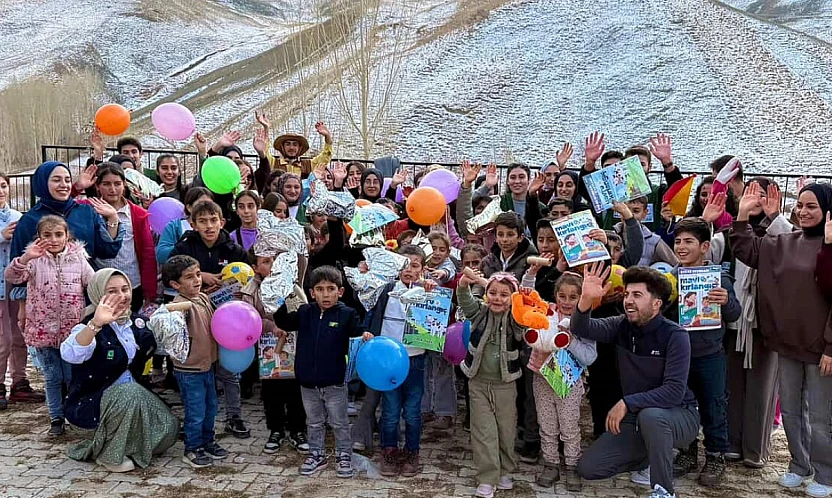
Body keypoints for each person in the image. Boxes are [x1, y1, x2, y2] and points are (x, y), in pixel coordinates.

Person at [730, 182, 832, 498]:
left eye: (811, 206)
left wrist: (831, 346)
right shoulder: (785, 241)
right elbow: (747, 250)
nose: (803, 211)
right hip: (786, 343)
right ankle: (799, 465)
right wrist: (743, 216)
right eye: (800, 205)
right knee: (789, 409)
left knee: (819, 416)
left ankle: (826, 473)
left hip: (821, 348)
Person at [574, 264, 699, 498]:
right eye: (627, 294)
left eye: (637, 295)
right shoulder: (620, 325)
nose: (628, 300)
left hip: (679, 414)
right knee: (589, 468)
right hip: (636, 417)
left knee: (651, 416)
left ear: (656, 303)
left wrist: (626, 403)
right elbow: (582, 327)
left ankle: (663, 490)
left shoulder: (676, 336)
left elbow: (673, 392)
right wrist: (585, 300)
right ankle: (650, 454)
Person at [60, 269, 178, 472]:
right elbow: (70, 354)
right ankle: (110, 456)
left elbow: (162, 346)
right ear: (98, 294)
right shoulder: (87, 327)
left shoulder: (138, 322)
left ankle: (125, 444)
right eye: (112, 291)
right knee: (129, 391)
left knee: (169, 428)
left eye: (125, 289)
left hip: (133, 401)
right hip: (93, 406)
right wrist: (96, 324)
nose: (121, 296)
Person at [713, 177, 790, 468]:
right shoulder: (730, 232)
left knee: (762, 387)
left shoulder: (783, 232)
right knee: (731, 384)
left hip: (765, 322)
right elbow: (709, 252)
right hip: (734, 319)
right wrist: (739, 216)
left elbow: (788, 249)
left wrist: (774, 215)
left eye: (762, 195)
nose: (756, 200)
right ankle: (731, 442)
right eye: (750, 194)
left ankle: (755, 449)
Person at [274, 266, 373, 478]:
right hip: (307, 381)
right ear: (312, 293)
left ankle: (344, 455)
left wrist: (365, 335)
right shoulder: (305, 312)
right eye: (320, 289)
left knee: (339, 422)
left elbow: (358, 333)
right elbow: (283, 322)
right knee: (314, 421)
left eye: (330, 289)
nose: (325, 294)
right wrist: (277, 297)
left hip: (335, 381)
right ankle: (316, 454)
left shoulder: (347, 314)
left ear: (341, 291)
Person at [665, 218, 741, 487]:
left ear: (705, 246)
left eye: (689, 241)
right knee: (681, 405)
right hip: (678, 356)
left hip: (710, 355)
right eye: (678, 241)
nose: (682, 247)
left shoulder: (719, 278)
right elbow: (661, 314)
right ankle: (687, 451)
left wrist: (726, 301)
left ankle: (716, 455)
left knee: (714, 405)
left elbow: (735, 314)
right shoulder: (671, 278)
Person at [5, 215, 95, 436]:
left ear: (67, 236)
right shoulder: (35, 260)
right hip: (43, 330)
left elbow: (94, 283)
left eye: (58, 235)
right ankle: (56, 417)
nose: (53, 240)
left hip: (72, 330)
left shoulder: (79, 259)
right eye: (47, 235)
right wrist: (26, 257)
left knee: (71, 376)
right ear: (39, 237)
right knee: (52, 377)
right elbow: (11, 277)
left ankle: (74, 412)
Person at [168, 200, 250, 438]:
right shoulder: (184, 248)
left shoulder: (234, 249)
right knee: (196, 375)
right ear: (192, 224)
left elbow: (249, 279)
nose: (209, 226)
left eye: (213, 220)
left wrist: (237, 288)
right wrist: (200, 276)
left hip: (228, 321)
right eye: (202, 221)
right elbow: (169, 275)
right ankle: (195, 421)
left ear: (222, 222)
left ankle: (234, 416)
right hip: (196, 320)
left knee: (229, 371)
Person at [521, 272, 596, 492]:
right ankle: (551, 463)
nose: (566, 301)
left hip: (570, 384)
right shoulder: (547, 312)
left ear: (581, 299)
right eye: (562, 296)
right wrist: (530, 275)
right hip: (542, 378)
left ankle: (572, 466)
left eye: (573, 297)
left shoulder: (585, 322)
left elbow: (590, 356)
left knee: (569, 427)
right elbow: (527, 299)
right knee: (547, 425)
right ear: (555, 296)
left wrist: (570, 341)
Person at [365, 245, 435, 477]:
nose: (408, 270)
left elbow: (439, 319)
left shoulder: (428, 292)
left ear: (422, 269)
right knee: (391, 411)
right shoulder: (386, 290)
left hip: (415, 360)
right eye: (403, 264)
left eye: (414, 265)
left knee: (413, 411)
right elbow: (372, 315)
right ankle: (389, 451)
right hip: (389, 363)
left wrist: (430, 294)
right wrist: (369, 333)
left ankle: (412, 452)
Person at [457, 270, 525, 498]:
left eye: (504, 295)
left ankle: (505, 470)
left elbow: (524, 324)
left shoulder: (516, 316)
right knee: (483, 430)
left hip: (506, 384)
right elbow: (466, 302)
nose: (497, 298)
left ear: (513, 298)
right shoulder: (481, 312)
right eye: (493, 293)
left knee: (506, 430)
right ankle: (487, 477)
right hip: (477, 381)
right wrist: (463, 286)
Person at [241, 248, 309, 455]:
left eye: (276, 261)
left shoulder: (291, 284)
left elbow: (301, 307)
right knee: (272, 393)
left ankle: (298, 430)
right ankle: (276, 430)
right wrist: (271, 326)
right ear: (255, 267)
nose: (272, 266)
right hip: (268, 349)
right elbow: (247, 317)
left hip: (294, 347)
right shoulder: (251, 290)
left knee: (296, 391)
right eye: (266, 262)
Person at [162, 255, 228, 468]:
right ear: (175, 284)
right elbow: (165, 317)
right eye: (189, 277)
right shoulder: (179, 305)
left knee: (211, 406)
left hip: (207, 364)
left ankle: (208, 441)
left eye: (198, 275)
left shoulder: (202, 298)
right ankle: (192, 448)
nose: (197, 280)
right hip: (189, 369)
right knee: (195, 410)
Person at [10, 161, 123, 264]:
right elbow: (18, 264)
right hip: (42, 284)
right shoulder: (29, 220)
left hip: (85, 282)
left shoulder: (86, 212)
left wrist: (113, 219)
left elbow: (107, 252)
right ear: (43, 183)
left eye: (67, 180)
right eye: (56, 180)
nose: (64, 185)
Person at [580, 132, 683, 232]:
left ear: (649, 167)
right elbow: (586, 191)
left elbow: (679, 189)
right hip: (617, 244)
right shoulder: (613, 190)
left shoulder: (658, 192)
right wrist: (590, 163)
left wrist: (667, 162)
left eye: (641, 164)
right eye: (631, 164)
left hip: (649, 245)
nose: (636, 168)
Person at [89, 163, 157, 312]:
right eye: (106, 184)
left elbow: (147, 252)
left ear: (124, 184)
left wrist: (150, 291)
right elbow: (62, 207)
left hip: (131, 284)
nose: (112, 189)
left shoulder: (137, 214)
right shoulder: (89, 209)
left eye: (117, 184)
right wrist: (77, 188)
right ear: (97, 186)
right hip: (100, 285)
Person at [0, 172, 42, 408]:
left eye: (4, 186)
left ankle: (20, 383)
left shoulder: (18, 217)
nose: (1, 191)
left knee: (19, 335)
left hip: (15, 284)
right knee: (2, 339)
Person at [422, 232, 458, 429]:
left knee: (443, 370)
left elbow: (448, 273)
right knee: (424, 369)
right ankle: (425, 409)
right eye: (433, 248)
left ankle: (445, 412)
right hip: (421, 324)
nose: (437, 252)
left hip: (441, 326)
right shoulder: (422, 264)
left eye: (441, 249)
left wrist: (440, 275)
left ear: (448, 251)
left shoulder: (447, 266)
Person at [259, 116, 333, 178]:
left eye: (295, 144)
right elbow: (264, 153)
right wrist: (266, 128)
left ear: (299, 148)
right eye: (288, 144)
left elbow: (325, 157)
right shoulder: (274, 163)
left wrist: (327, 136)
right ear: (282, 147)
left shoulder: (308, 165)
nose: (291, 148)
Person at [156, 187, 214, 266]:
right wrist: (186, 245)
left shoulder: (215, 226)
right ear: (189, 207)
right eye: (201, 204)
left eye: (209, 205)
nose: (206, 208)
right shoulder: (174, 226)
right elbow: (161, 255)